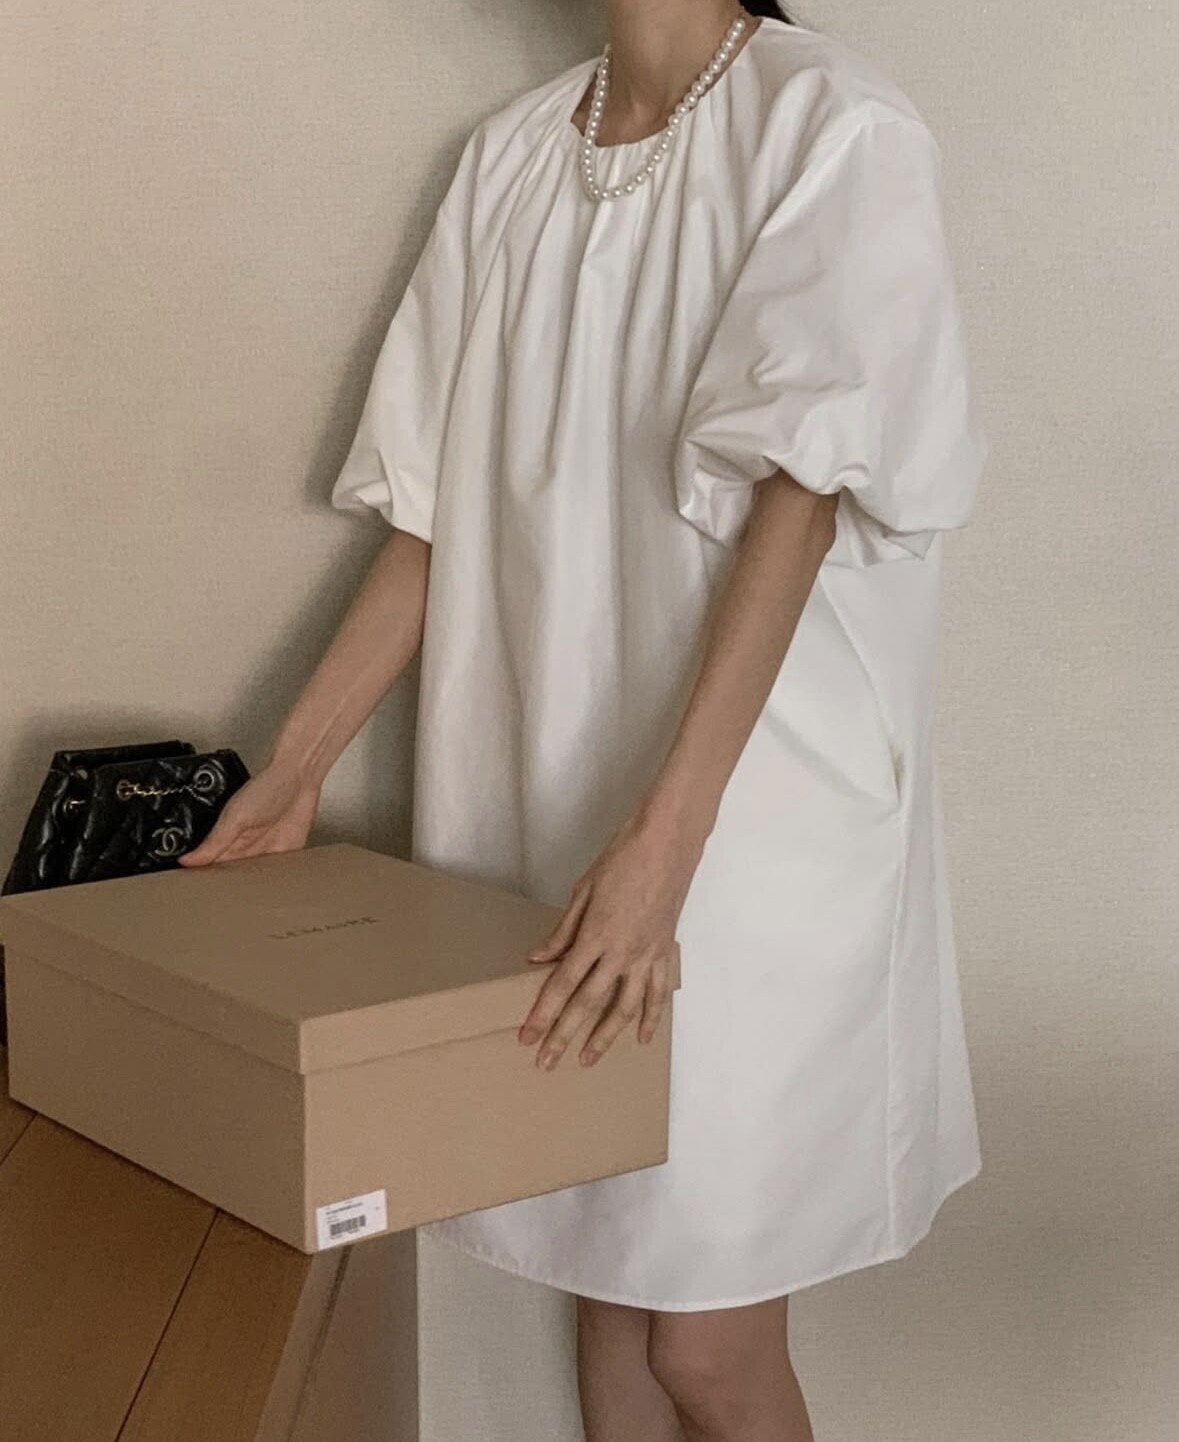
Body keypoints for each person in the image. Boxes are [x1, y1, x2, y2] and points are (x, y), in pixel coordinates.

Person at [181, 2, 989, 1437]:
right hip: (543, 807)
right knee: (609, 1290)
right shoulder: (508, 156)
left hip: (749, 825)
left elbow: (801, 502)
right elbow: (433, 508)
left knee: (705, 1347)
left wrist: (665, 850)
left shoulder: (834, 127)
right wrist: (296, 766)